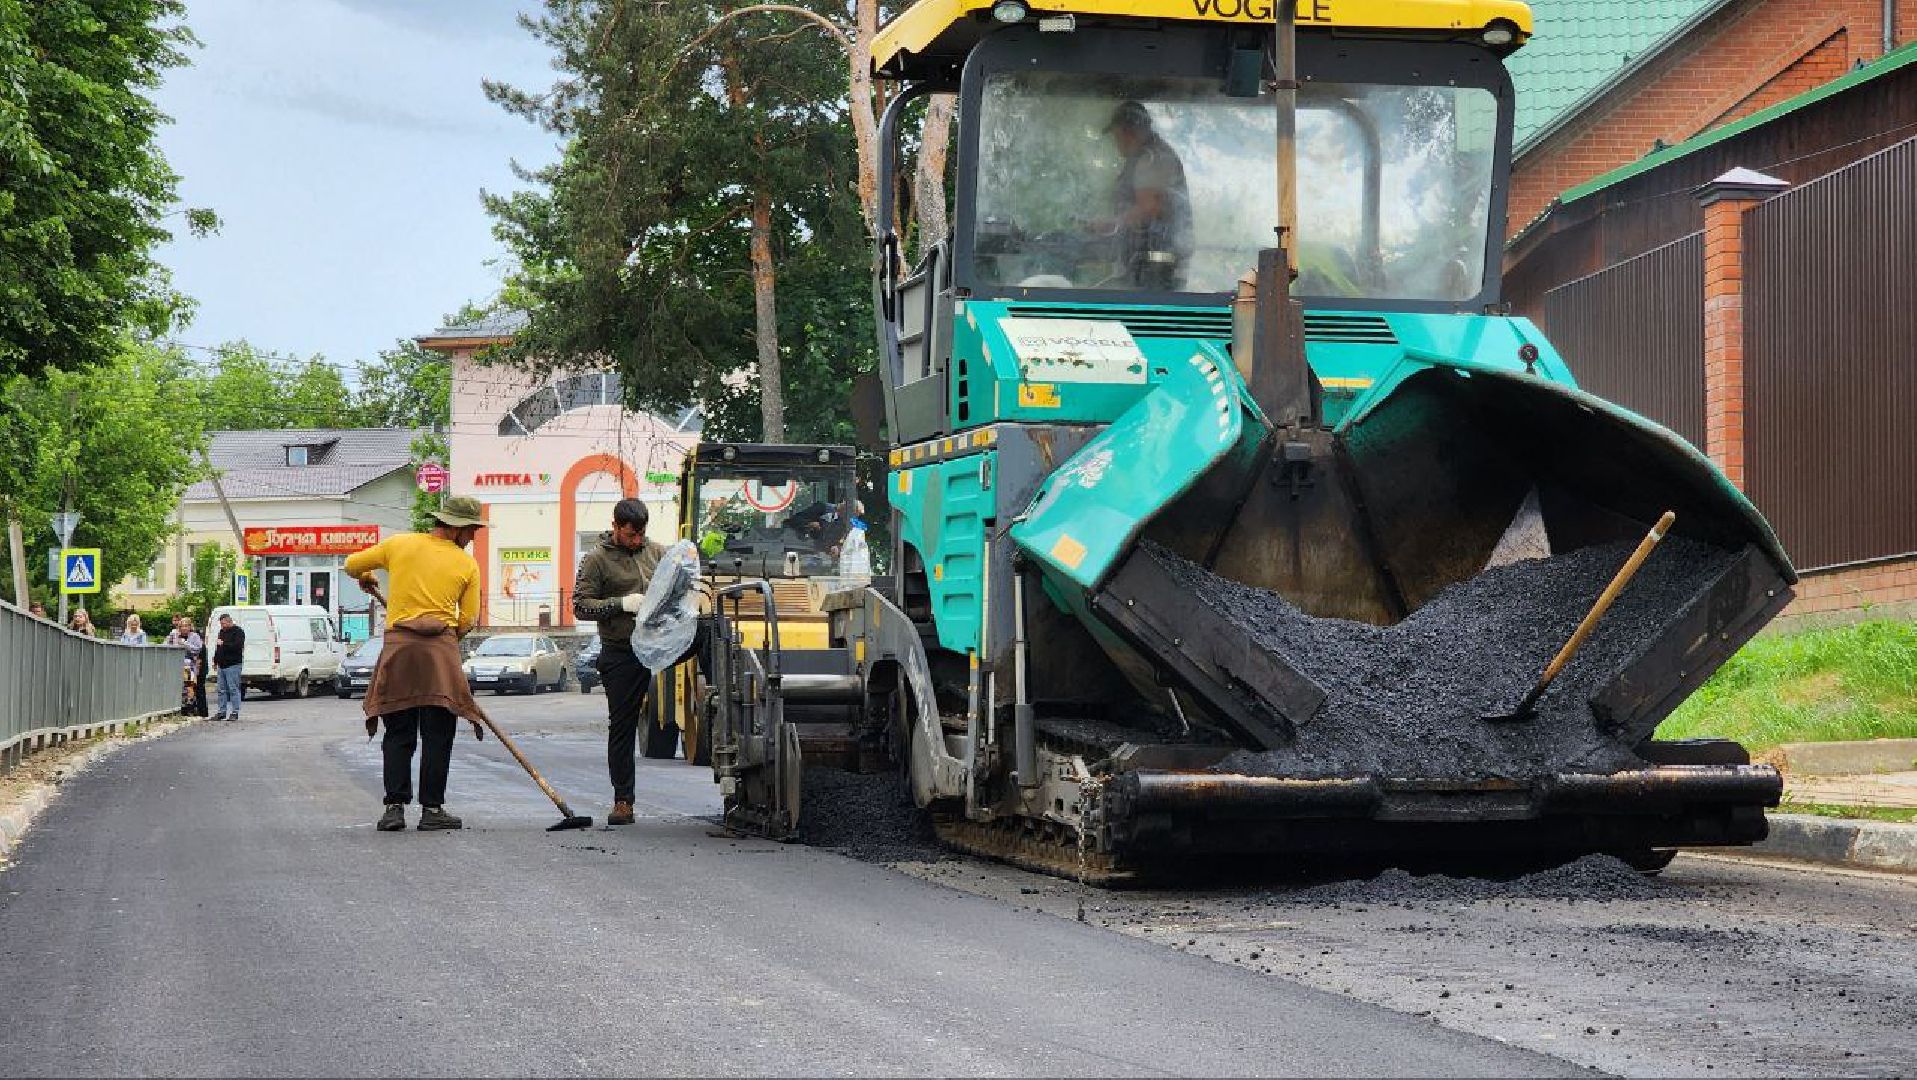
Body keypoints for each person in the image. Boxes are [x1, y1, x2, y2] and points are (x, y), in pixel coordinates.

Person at [344, 496, 488, 833]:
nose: (473, 537)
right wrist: (447, 641)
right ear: (457, 529)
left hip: (399, 651)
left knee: (398, 731)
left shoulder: (399, 545)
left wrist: (367, 575)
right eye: (472, 531)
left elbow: (352, 564)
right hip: (439, 654)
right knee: (438, 733)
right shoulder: (467, 565)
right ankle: (432, 810)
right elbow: (467, 619)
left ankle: (394, 808)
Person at [572, 497, 667, 826]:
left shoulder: (657, 552)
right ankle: (623, 801)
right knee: (623, 726)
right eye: (630, 535)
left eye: (641, 534)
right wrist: (622, 603)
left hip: (661, 641)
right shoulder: (596, 559)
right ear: (615, 527)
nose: (637, 541)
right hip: (622, 649)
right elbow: (581, 606)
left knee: (710, 635)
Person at [1096, 100, 1193, 290]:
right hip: (1146, 266)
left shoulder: (1152, 158)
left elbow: (1150, 208)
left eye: (1116, 136)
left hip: (1154, 271)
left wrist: (1111, 224)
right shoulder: (1152, 155)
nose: (1116, 143)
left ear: (1127, 132)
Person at [168, 616, 209, 717]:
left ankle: (191, 707)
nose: (184, 628)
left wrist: (186, 644)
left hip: (190, 666)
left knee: (190, 687)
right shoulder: (174, 635)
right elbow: (167, 646)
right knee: (179, 687)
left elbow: (198, 649)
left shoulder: (194, 636)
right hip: (177, 666)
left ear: (190, 627)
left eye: (186, 626)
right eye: (182, 626)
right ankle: (180, 708)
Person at [212, 613, 246, 722]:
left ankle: (235, 712)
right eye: (221, 624)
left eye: (223, 623)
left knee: (233, 688)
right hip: (222, 665)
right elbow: (218, 647)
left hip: (233, 664)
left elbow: (237, 646)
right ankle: (222, 712)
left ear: (229, 621)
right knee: (221, 689)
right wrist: (215, 660)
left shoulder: (238, 632)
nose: (222, 626)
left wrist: (224, 643)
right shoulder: (222, 632)